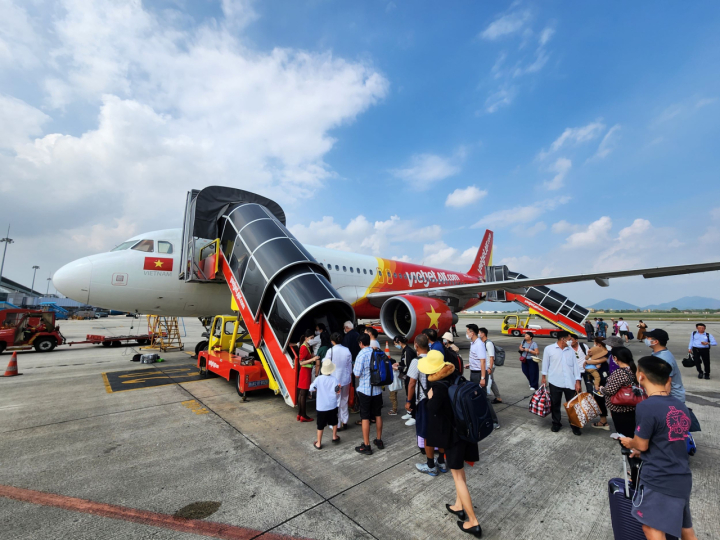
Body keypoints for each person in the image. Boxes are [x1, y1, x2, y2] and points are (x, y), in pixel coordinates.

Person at [620, 356, 697, 540]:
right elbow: (668, 439)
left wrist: (630, 443)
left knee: (651, 529)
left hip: (659, 477)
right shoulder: (680, 406)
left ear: (641, 376)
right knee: (685, 529)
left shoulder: (646, 406)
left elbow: (641, 444)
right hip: (681, 476)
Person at [418, 353, 482, 537]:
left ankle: (473, 521)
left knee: (458, 477)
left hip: (451, 436)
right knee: (459, 471)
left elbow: (432, 409)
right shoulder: (456, 376)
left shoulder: (437, 387)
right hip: (464, 432)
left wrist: (430, 397)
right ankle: (458, 506)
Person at [413, 350, 450, 476]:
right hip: (446, 414)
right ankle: (441, 461)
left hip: (433, 412)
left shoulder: (436, 385)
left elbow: (432, 406)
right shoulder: (449, 376)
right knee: (442, 435)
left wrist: (429, 398)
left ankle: (430, 465)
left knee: (428, 436)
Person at [541, 331, 582, 436]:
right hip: (555, 381)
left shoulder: (571, 351)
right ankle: (556, 423)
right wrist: (543, 377)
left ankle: (575, 425)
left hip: (570, 382)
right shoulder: (549, 349)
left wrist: (578, 382)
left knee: (572, 405)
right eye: (569, 339)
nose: (570, 341)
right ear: (562, 339)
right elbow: (545, 364)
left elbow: (576, 367)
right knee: (555, 404)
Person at [353, 334, 384, 455]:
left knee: (365, 417)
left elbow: (356, 374)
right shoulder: (375, 351)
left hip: (365, 390)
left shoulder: (361, 354)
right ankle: (379, 440)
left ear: (361, 343)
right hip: (377, 390)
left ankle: (367, 445)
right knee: (377, 414)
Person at [465, 324, 499, 430]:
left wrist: (483, 378)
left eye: (467, 332)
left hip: (479, 374)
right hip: (474, 372)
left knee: (483, 398)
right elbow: (477, 358)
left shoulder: (479, 344)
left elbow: (483, 361)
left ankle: (494, 421)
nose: (467, 334)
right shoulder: (473, 343)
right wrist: (470, 364)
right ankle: (480, 418)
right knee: (476, 397)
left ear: (472, 333)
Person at [599, 347, 638, 437]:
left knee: (623, 431)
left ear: (615, 358)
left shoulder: (619, 373)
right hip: (631, 404)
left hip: (619, 407)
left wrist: (601, 389)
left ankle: (626, 447)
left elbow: (610, 390)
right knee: (631, 427)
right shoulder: (633, 369)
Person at [407, 335, 435, 460]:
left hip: (422, 399)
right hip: (435, 397)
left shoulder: (416, 361)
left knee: (424, 427)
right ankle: (437, 450)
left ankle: (426, 452)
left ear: (416, 345)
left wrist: (408, 401)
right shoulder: (434, 359)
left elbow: (412, 383)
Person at [645, 329, 686, 403]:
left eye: (648, 338)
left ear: (656, 342)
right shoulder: (658, 353)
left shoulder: (663, 358)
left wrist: (662, 402)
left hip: (672, 398)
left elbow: (667, 382)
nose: (646, 339)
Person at [309, 360, 341, 449]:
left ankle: (318, 443)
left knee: (320, 425)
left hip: (321, 406)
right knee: (334, 421)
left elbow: (311, 388)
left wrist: (315, 389)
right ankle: (334, 436)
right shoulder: (334, 379)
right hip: (332, 405)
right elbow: (337, 390)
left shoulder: (319, 379)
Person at [325, 332, 352, 431]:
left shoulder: (330, 351)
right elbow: (349, 367)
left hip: (334, 380)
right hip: (345, 379)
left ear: (332, 341)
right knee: (344, 400)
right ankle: (345, 421)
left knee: (335, 402)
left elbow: (326, 365)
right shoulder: (347, 350)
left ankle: (336, 424)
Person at [297, 330, 320, 422]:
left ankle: (300, 414)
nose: (312, 339)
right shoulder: (303, 347)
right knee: (303, 394)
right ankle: (303, 415)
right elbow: (301, 362)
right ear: (306, 338)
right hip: (305, 371)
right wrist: (313, 359)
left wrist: (312, 356)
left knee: (302, 394)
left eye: (313, 338)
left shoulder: (307, 346)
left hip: (306, 371)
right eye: (311, 338)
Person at [395, 335, 417, 423]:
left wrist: (398, 368)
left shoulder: (408, 351)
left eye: (395, 343)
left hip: (410, 376)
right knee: (408, 393)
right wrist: (399, 363)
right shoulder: (405, 350)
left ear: (399, 343)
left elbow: (407, 366)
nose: (396, 345)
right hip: (407, 376)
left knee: (412, 395)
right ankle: (409, 411)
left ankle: (414, 415)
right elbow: (405, 362)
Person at [479, 327, 502, 405]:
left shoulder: (488, 343)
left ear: (483, 334)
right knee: (491, 382)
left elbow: (492, 357)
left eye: (479, 333)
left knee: (489, 381)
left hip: (489, 366)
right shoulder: (482, 342)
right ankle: (498, 397)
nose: (478, 334)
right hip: (485, 366)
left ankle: (495, 397)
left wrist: (490, 368)